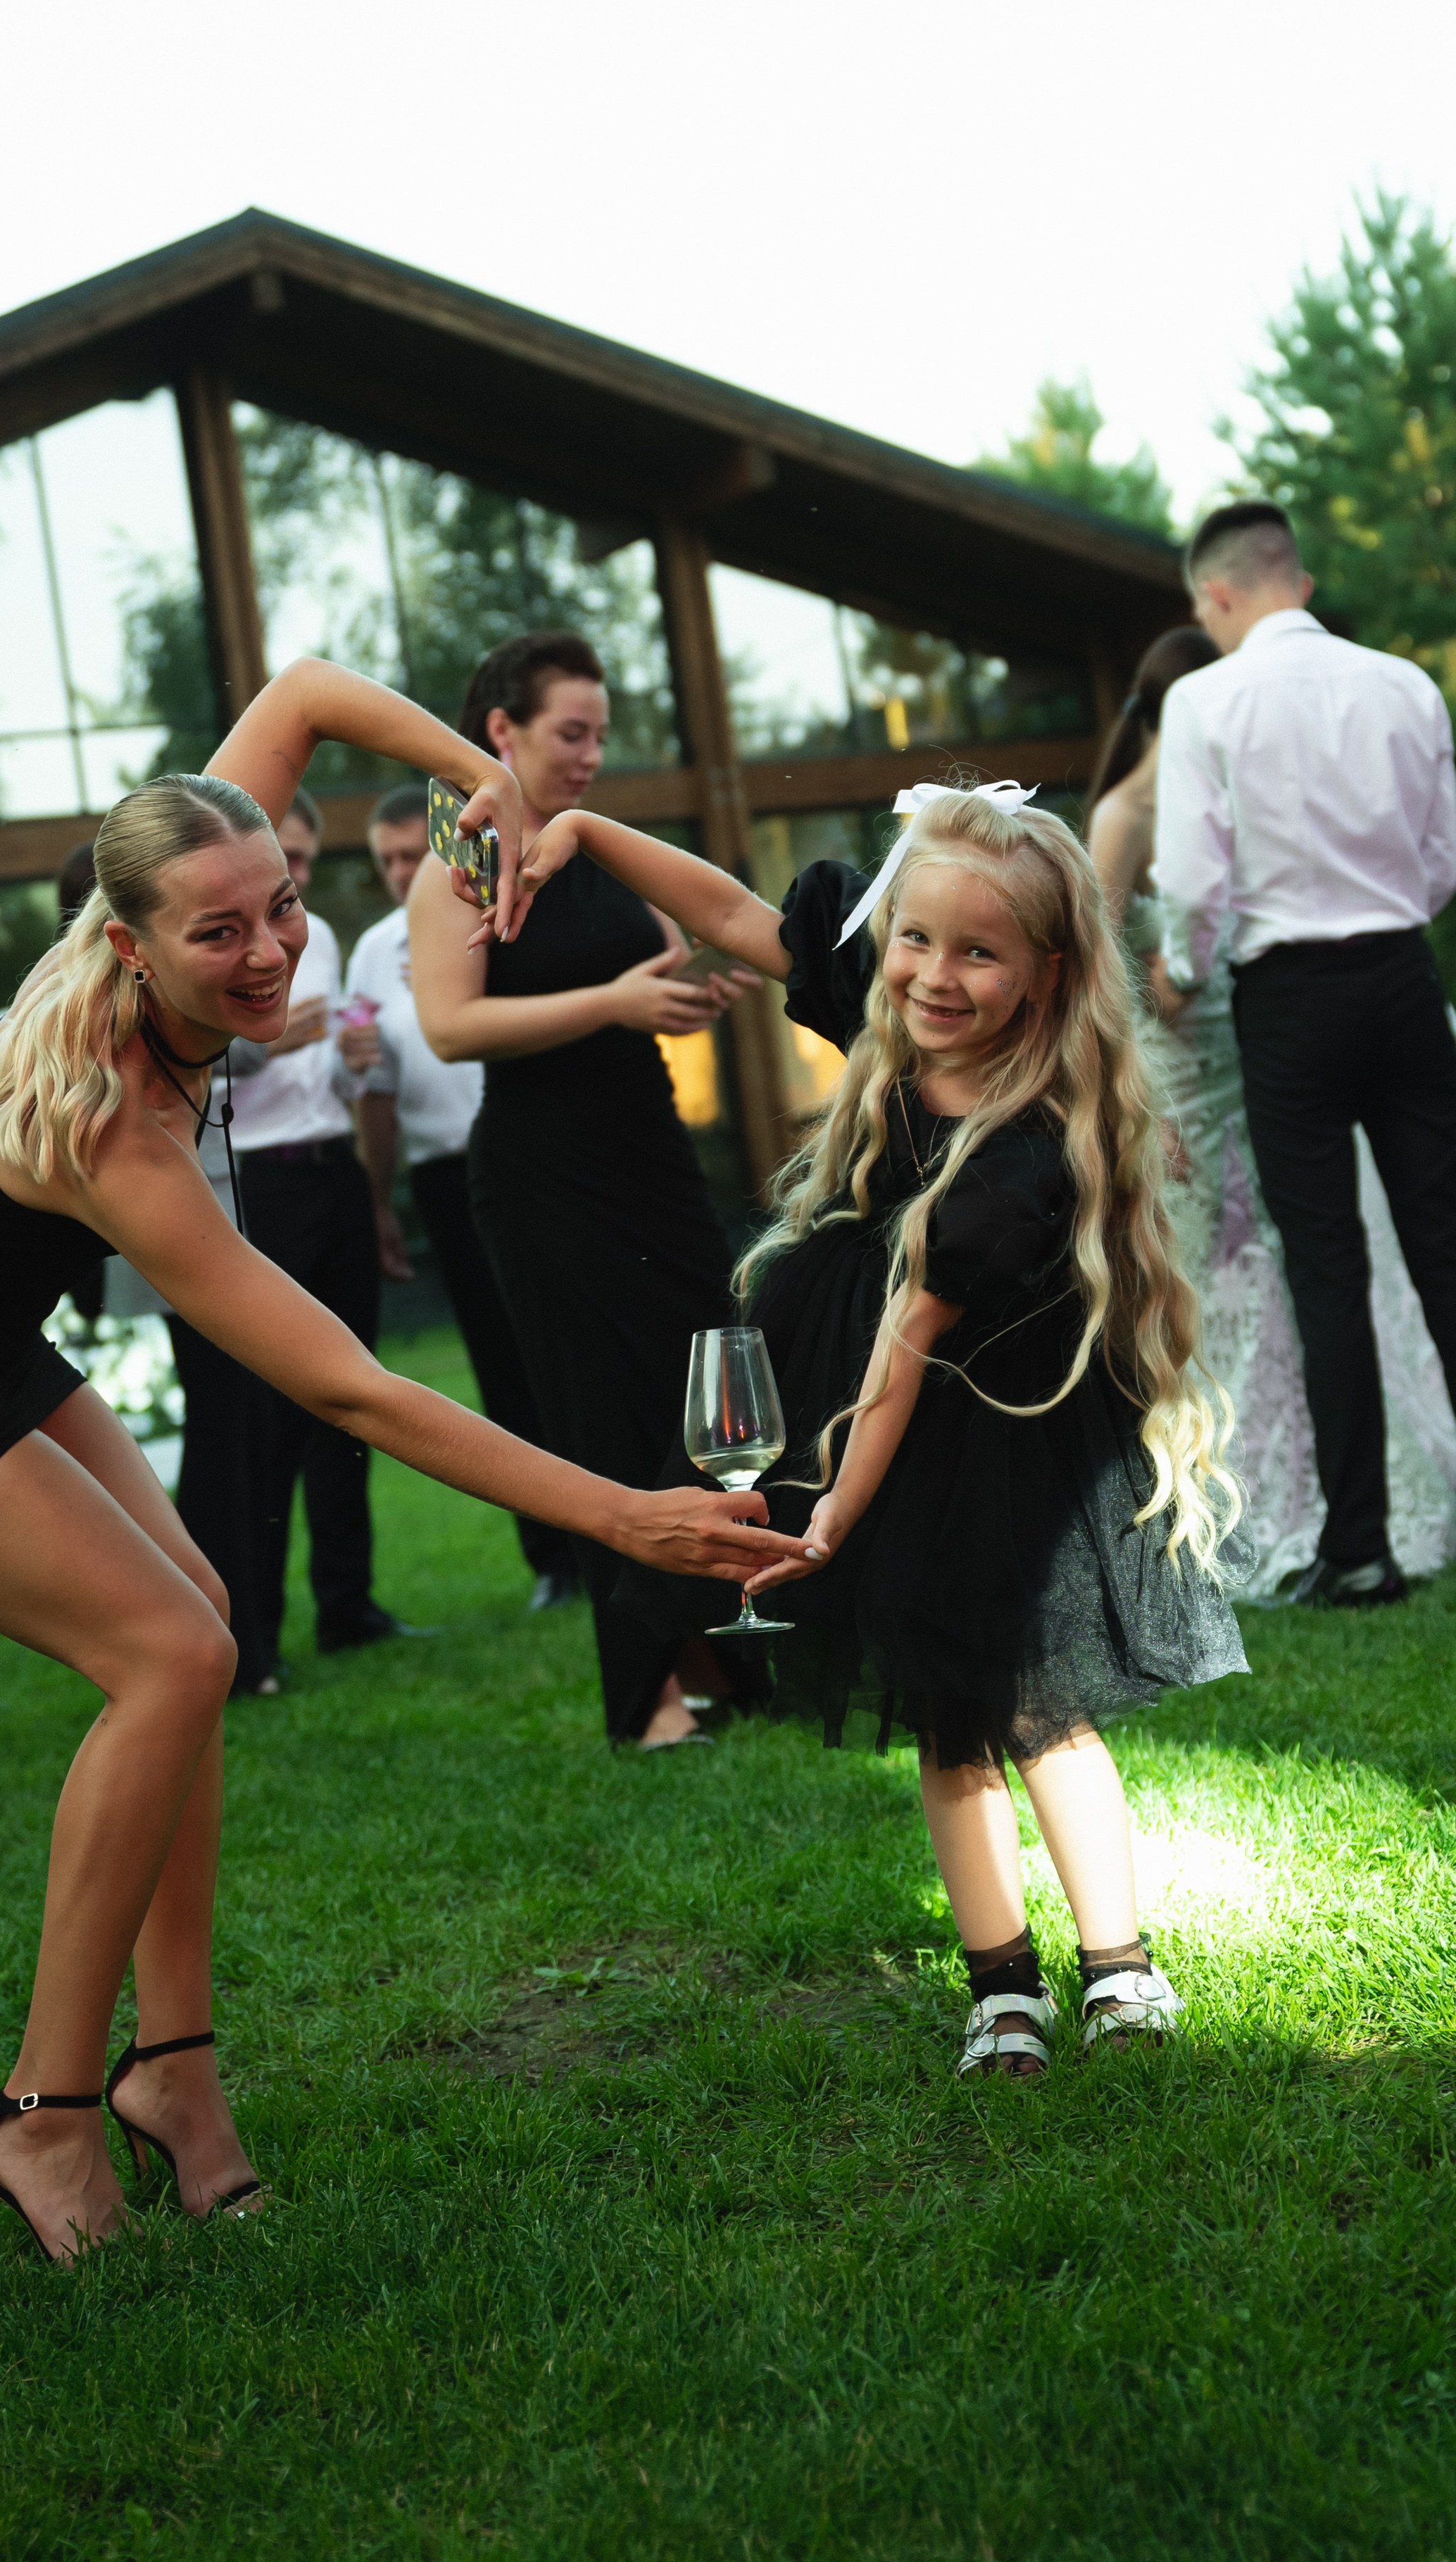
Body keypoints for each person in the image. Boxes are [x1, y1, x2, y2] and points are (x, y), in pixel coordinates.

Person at [0, 661, 770, 2259]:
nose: (270, 945)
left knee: (198, 1623)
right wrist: (627, 1514)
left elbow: (303, 692)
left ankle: (177, 2072)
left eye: (279, 903)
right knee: (167, 1650)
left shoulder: (177, 870)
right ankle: (46, 2115)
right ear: (122, 936)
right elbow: (356, 1393)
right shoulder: (110, 1126)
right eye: (219, 932)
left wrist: (484, 780)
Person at [514, 785, 1248, 2077]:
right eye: (917, 941)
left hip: (996, 1438)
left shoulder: (1027, 1147)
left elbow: (911, 1338)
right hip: (870, 1408)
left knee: (1043, 1709)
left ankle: (1120, 1965)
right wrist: (585, 834)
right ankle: (1000, 1980)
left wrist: (833, 1512)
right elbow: (740, 918)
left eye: (979, 953)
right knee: (947, 1724)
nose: (935, 974)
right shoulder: (896, 995)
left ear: (1046, 972)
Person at [411, 631, 761, 1749]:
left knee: (713, 1398)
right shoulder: (456, 860)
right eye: (574, 732)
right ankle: (649, 1695)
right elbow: (450, 1026)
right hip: (543, 1177)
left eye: (602, 734)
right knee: (599, 1424)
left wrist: (695, 988)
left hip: (650, 1154)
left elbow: (650, 968)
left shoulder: (600, 851)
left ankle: (719, 1652)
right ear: (501, 733)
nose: (593, 755)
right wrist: (612, 1005)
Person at [1088, 626, 1456, 1592]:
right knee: (1418, 1250)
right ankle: (1327, 1520)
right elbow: (1441, 859)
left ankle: (1359, 1545)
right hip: (1370, 989)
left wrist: (1193, 964)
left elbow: (1199, 905)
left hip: (1284, 1020)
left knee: (1327, 1271)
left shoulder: (1218, 729)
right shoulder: (1398, 685)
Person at [168, 785, 417, 1696]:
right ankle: (252, 1639)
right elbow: (189, 1046)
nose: (296, 887)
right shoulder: (211, 940)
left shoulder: (318, 942)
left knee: (355, 1396)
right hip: (255, 1180)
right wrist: (270, 1043)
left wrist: (355, 1068)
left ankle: (349, 1604)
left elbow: (342, 1074)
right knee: (258, 1420)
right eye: (288, 863)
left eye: (303, 871)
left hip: (330, 1168)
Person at [338, 782, 579, 1611]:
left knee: (565, 1346)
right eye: (388, 861)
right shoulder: (373, 949)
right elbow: (374, 1085)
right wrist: (379, 1194)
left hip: (537, 1152)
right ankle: (552, 1555)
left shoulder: (507, 908)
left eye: (415, 853)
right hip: (444, 1171)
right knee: (498, 1359)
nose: (403, 871)